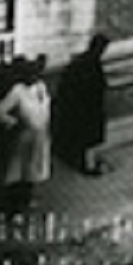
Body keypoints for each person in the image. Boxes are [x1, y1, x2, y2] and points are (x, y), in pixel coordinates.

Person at [0, 56, 52, 209]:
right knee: (19, 170)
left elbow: (45, 108)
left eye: (37, 73)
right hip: (24, 136)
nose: (34, 77)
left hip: (40, 135)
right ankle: (13, 203)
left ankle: (27, 199)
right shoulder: (18, 91)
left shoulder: (41, 88)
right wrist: (13, 122)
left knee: (33, 170)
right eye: (31, 74)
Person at [52, 34, 109, 175]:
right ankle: (88, 167)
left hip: (80, 108)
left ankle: (83, 162)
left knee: (82, 138)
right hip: (87, 109)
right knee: (88, 139)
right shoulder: (92, 64)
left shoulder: (80, 62)